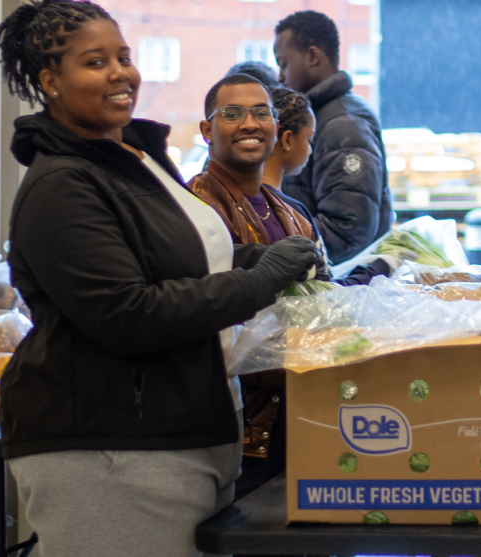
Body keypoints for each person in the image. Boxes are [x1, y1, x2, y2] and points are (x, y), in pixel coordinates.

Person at [0, 2, 320, 556]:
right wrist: (261, 279)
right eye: (95, 62)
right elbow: (128, 314)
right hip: (113, 449)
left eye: (123, 56)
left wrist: (257, 259)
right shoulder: (62, 186)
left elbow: (180, 259)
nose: (121, 73)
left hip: (187, 432)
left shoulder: (133, 158)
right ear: (51, 82)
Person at [189, 78, 389, 498]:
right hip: (242, 426)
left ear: (276, 127)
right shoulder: (193, 208)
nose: (250, 123)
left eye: (261, 113)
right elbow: (204, 309)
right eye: (232, 113)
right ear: (207, 131)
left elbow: (324, 304)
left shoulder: (292, 212)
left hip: (307, 413)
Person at [273, 10, 393, 264]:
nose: (280, 76)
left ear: (313, 56)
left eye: (284, 63)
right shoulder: (318, 115)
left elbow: (347, 230)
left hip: (340, 287)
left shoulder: (343, 125)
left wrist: (273, 248)